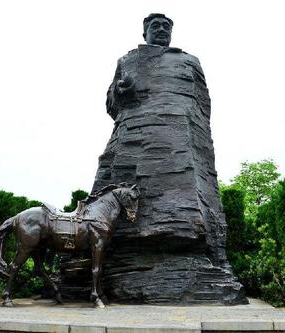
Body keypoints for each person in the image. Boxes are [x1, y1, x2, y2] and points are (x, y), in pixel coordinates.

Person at [89, 13, 245, 304]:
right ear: (144, 31)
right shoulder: (128, 60)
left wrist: (198, 136)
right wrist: (120, 93)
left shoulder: (189, 62)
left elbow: (203, 105)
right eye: (155, 26)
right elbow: (111, 103)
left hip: (183, 142)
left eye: (165, 27)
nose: (160, 30)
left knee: (195, 201)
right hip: (133, 137)